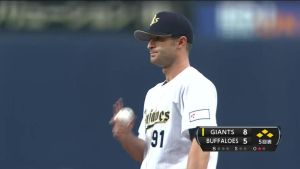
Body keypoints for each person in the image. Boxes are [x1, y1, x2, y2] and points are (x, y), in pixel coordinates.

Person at [110, 11, 218, 169]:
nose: (149, 44)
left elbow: (203, 141)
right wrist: (125, 136)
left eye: (158, 38)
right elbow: (146, 154)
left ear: (180, 42)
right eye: (149, 39)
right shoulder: (153, 94)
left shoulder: (195, 84)